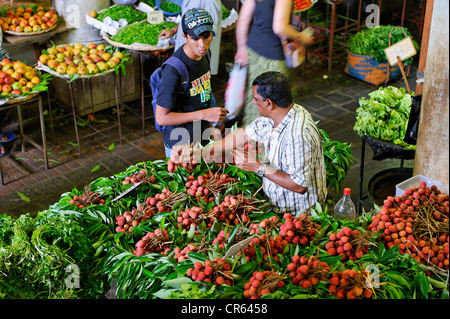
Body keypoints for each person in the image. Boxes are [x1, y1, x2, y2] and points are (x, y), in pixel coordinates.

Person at [171, 71, 327, 214]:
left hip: (298, 213)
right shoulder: (278, 114)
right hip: (277, 203)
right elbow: (243, 134)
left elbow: (299, 185)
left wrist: (258, 167)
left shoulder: (297, 135)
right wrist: (204, 152)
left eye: (256, 99)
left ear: (269, 103)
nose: (253, 102)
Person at [155, 8, 229, 157]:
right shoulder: (173, 70)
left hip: (202, 139)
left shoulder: (205, 54)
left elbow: (204, 95)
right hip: (180, 144)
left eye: (206, 36)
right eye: (195, 38)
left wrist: (209, 129)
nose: (202, 44)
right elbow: (161, 118)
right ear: (184, 36)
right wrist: (204, 114)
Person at [234, 0, 314, 126]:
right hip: (272, 57)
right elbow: (279, 27)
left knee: (255, 101)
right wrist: (301, 36)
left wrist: (241, 48)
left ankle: (250, 140)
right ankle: (267, 143)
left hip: (253, 49)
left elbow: (243, 19)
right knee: (275, 107)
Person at [159, 0, 223, 76]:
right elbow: (189, 21)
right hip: (186, 54)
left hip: (196, 60)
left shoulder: (209, 2)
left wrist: (192, 59)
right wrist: (173, 30)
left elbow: (209, 31)